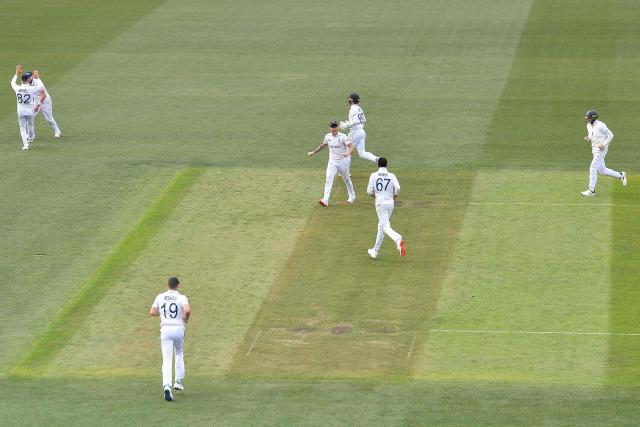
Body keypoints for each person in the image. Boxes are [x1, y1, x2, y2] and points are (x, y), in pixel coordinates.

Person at [150, 276, 191, 402]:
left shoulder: (160, 296)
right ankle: (178, 381)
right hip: (178, 329)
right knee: (179, 352)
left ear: (168, 285)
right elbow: (187, 310)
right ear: (178, 285)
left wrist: (161, 314)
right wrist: (185, 318)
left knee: (167, 360)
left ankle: (167, 386)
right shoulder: (181, 297)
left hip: (165, 330)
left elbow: (152, 312)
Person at [308, 120, 356, 206]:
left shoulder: (343, 136)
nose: (334, 128)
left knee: (346, 179)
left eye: (335, 126)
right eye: (332, 127)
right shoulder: (327, 137)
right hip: (332, 162)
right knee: (329, 179)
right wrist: (313, 152)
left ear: (337, 127)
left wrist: (348, 153)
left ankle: (352, 196)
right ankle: (325, 200)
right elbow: (323, 145)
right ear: (330, 128)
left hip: (342, 161)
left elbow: (351, 146)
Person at [581, 110, 627, 196]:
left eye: (589, 118)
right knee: (602, 170)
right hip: (594, 150)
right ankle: (620, 175)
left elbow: (610, 135)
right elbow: (591, 135)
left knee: (593, 168)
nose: (587, 120)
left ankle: (591, 191)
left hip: (601, 150)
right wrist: (588, 138)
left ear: (593, 118)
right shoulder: (588, 125)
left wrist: (603, 144)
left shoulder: (601, 125)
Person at [366, 157, 405, 258]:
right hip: (390, 203)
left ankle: (398, 239)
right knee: (381, 226)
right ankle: (375, 251)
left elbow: (369, 191)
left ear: (378, 165)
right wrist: (394, 197)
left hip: (380, 204)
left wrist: (376, 197)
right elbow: (398, 188)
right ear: (386, 165)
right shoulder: (391, 175)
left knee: (385, 227)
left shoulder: (373, 175)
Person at [10, 66, 45, 150]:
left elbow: (12, 83)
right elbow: (41, 86)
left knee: (22, 128)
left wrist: (16, 74)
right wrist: (38, 78)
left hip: (20, 111)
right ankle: (31, 137)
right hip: (30, 111)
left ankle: (25, 145)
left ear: (22, 81)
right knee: (30, 124)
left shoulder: (17, 88)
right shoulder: (31, 89)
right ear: (27, 81)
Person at [339, 93, 378, 163]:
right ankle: (377, 159)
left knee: (346, 149)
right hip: (361, 132)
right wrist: (348, 123)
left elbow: (356, 121)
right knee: (362, 153)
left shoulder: (353, 109)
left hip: (355, 132)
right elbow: (364, 120)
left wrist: (346, 125)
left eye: (349, 99)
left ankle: (344, 172)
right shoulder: (359, 108)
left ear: (351, 100)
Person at [31, 68, 62, 139]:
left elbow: (43, 96)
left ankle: (57, 131)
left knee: (49, 119)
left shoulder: (39, 83)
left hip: (45, 101)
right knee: (30, 117)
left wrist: (38, 104)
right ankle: (32, 135)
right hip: (36, 101)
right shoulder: (28, 82)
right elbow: (36, 74)